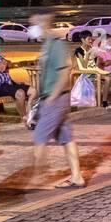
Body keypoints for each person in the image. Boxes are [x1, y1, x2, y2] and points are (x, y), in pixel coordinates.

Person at [30, 11, 84, 188]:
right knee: (66, 137)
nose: (31, 29)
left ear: (44, 24)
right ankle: (77, 176)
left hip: (56, 98)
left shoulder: (57, 44)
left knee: (39, 136)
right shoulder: (46, 45)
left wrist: (52, 97)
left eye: (34, 24)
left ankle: (36, 178)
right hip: (52, 97)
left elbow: (65, 71)